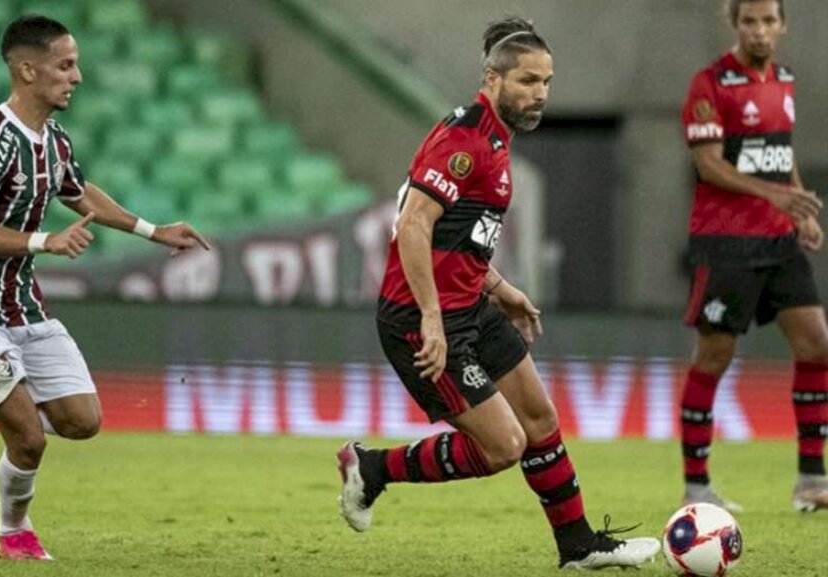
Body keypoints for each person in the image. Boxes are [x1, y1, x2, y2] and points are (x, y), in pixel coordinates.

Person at [335, 17, 660, 569]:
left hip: (469, 306)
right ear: (493, 78)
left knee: (539, 417)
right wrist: (433, 318)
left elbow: (457, 236)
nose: (540, 95)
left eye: (547, 82)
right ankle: (372, 468)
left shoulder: (494, 138)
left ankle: (578, 545)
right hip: (419, 319)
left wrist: (499, 286)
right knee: (504, 447)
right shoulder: (464, 141)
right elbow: (413, 225)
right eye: (528, 81)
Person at [0, 15, 210, 560]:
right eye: (65, 65)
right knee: (27, 438)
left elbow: (81, 194)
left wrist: (153, 230)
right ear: (28, 69)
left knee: (83, 421)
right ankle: (14, 534)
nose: (76, 77)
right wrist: (45, 242)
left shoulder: (52, 141)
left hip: (20, 303)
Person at [678, 0, 828, 513]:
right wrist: (775, 195)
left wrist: (800, 207)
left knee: (816, 344)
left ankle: (812, 480)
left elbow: (779, 157)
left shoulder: (783, 79)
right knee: (714, 358)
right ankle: (696, 486)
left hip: (779, 239)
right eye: (750, 21)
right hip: (726, 241)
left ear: (782, 26)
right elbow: (709, 165)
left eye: (769, 21)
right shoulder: (711, 83)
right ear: (735, 24)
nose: (760, 31)